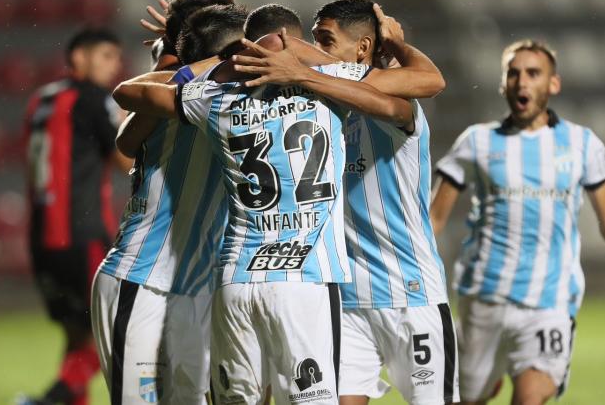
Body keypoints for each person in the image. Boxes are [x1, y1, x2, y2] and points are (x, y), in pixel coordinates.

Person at [111, 20, 416, 403]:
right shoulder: (328, 85)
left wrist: (209, 64)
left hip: (238, 280)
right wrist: (308, 66)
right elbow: (422, 85)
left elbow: (127, 93)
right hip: (304, 278)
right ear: (291, 43)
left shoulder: (215, 100)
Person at [430, 39, 605, 405]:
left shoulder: (582, 145)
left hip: (548, 304)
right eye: (514, 73)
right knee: (464, 398)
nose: (522, 82)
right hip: (482, 301)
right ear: (503, 84)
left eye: (533, 73)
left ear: (553, 84)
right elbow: (433, 220)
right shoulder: (476, 142)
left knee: (529, 399)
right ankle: (487, 382)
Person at [306, 0, 459, 404]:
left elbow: (428, 80)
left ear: (362, 48)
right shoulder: (323, 109)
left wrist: (395, 44)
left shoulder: (397, 106)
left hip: (410, 295)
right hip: (349, 299)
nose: (317, 52)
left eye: (325, 40)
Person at [91, 0, 242, 405]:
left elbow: (125, 139)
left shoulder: (219, 86)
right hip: (143, 278)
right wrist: (177, 58)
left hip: (197, 288)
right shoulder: (177, 84)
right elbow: (126, 133)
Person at [20, 27, 131, 405]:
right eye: (106, 56)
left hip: (41, 237)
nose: (114, 66)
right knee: (114, 332)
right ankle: (49, 400)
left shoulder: (41, 100)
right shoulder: (93, 98)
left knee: (76, 334)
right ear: (79, 57)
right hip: (81, 232)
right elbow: (124, 160)